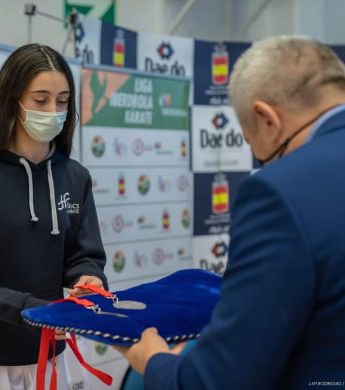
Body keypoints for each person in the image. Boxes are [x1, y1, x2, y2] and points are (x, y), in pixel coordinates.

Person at [115, 36, 345, 388]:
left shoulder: (279, 192)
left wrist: (152, 361)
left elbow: (218, 381)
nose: (264, 165)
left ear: (266, 119)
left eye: (259, 153)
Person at [0, 43, 108, 390]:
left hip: (52, 353)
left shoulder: (75, 177)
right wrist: (29, 310)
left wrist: (89, 279)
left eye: (62, 101)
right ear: (12, 101)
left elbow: (83, 255)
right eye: (40, 100)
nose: (53, 110)